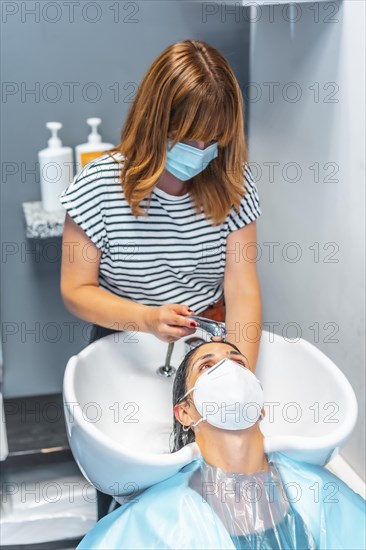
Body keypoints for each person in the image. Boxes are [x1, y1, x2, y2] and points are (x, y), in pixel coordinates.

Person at [60, 39, 262, 518]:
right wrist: (145, 318)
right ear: (155, 121)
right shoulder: (96, 187)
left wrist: (236, 378)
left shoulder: (232, 184)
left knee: (213, 491)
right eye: (189, 138)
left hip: (208, 346)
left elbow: (243, 289)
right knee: (132, 490)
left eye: (212, 139)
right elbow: (75, 290)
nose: (200, 151)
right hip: (123, 342)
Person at [76, 340, 366, 549]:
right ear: (184, 412)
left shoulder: (317, 492)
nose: (229, 371)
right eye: (207, 366)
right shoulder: (156, 520)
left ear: (259, 404)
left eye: (238, 363)